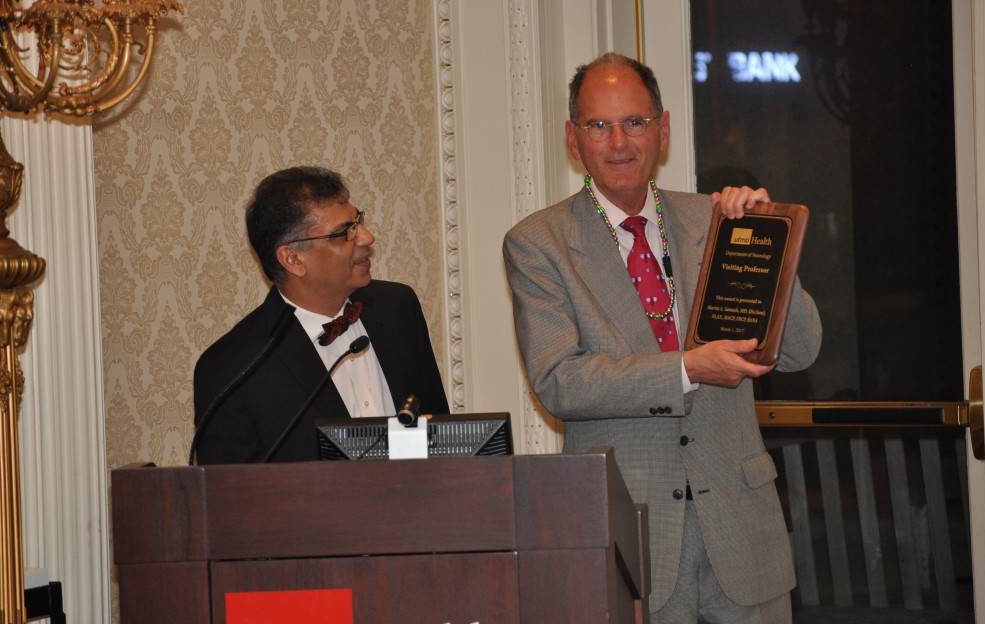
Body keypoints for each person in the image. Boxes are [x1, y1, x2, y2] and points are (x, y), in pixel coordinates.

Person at [502, 53, 821, 623]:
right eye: (599, 125)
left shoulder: (717, 221)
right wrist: (689, 369)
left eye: (636, 122)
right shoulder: (538, 243)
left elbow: (799, 349)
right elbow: (560, 381)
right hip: (631, 537)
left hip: (742, 533)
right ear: (573, 140)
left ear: (664, 130)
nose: (619, 141)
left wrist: (770, 240)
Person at [193, 166, 449, 464]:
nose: (367, 237)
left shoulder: (397, 308)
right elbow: (232, 501)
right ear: (293, 258)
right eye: (345, 232)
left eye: (359, 221)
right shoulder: (232, 368)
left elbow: (440, 435)